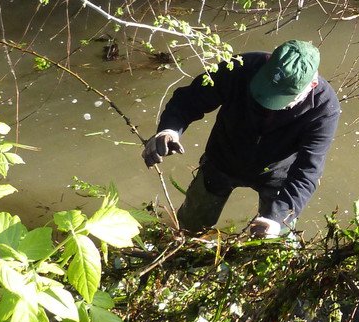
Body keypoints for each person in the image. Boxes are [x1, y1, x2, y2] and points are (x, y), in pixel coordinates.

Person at [141, 40, 340, 237]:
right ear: (267, 60)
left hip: (278, 176)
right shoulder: (238, 67)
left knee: (276, 237)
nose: (269, 102)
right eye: (266, 89)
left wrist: (277, 220)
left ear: (312, 85)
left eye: (283, 98)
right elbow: (190, 99)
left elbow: (308, 170)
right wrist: (169, 130)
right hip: (222, 159)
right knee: (189, 227)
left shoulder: (324, 108)